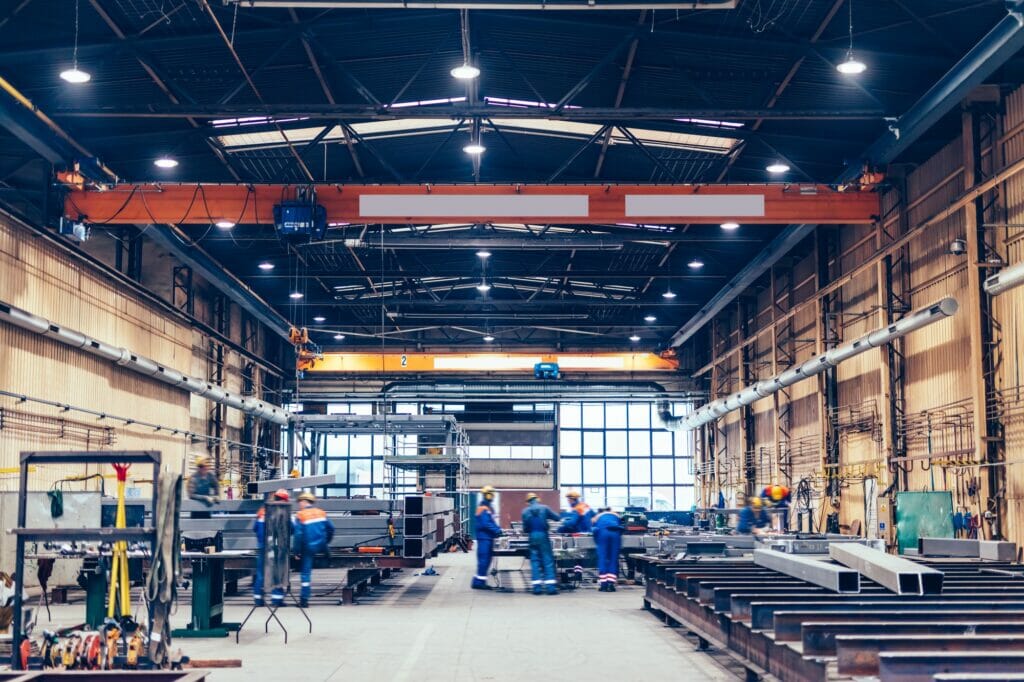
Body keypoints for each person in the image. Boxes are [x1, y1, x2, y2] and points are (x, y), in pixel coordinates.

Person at [293, 492, 334, 608]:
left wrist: (296, 552)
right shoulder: (321, 513)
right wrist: (327, 542)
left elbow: (298, 535)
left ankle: (304, 600)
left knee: (305, 574)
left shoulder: (301, 515)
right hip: (321, 545)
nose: (299, 505)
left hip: (308, 548)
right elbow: (331, 529)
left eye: (299, 502)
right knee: (324, 547)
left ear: (304, 501)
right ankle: (327, 555)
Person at [253, 490, 290, 606]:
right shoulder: (282, 511)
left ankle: (258, 599)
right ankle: (277, 599)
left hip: (262, 546)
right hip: (275, 547)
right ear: (284, 500)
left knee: (260, 573)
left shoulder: (262, 511)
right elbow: (291, 528)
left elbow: (255, 528)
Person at [521, 493, 560, 595]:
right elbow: (557, 517)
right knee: (547, 560)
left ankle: (536, 588)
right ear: (537, 499)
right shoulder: (545, 508)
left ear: (528, 502)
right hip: (543, 536)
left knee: (534, 561)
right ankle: (550, 588)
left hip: (532, 537)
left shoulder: (525, 511)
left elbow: (525, 529)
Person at [472, 485, 503, 590]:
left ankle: (479, 581)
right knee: (484, 560)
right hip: (484, 539)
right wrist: (497, 531)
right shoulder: (483, 508)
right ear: (488, 495)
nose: (493, 496)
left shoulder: (488, 508)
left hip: (488, 538)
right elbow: (486, 524)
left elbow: (491, 522)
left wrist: (498, 530)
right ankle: (478, 583)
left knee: (486, 560)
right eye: (492, 494)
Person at [592, 507, 625, 592]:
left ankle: (603, 585)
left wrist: (597, 541)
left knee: (603, 559)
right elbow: (622, 527)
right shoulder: (616, 515)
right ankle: (611, 584)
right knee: (613, 560)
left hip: (603, 534)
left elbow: (594, 530)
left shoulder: (597, 516)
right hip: (615, 535)